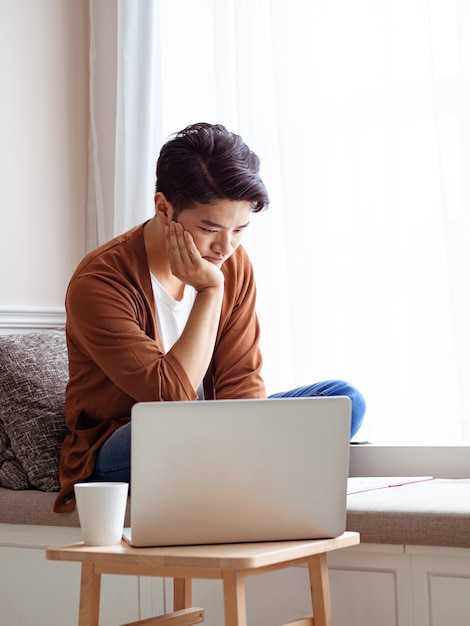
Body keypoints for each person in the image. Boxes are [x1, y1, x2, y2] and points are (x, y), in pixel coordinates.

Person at [54, 122, 365, 512]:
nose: (225, 247)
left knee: (343, 399)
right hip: (127, 440)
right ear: (163, 208)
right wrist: (209, 291)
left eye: (240, 230)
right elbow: (170, 400)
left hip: (215, 429)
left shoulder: (234, 263)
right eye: (209, 228)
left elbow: (241, 383)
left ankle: (241, 467)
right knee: (171, 431)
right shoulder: (99, 282)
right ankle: (263, 467)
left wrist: (242, 426)